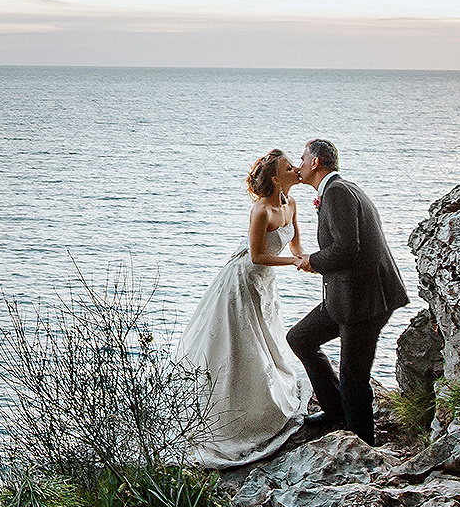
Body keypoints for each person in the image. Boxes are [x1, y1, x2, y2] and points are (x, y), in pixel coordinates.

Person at [172, 149, 311, 468]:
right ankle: (234, 410)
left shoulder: (291, 204)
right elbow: (257, 256)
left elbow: (295, 245)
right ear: (276, 178)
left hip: (265, 283)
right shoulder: (261, 210)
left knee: (266, 335)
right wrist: (293, 262)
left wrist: (308, 260)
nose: (294, 168)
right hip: (244, 281)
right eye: (288, 167)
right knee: (241, 342)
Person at [286, 138, 408, 446]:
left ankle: (362, 443)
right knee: (300, 338)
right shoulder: (339, 190)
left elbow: (346, 250)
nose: (298, 165)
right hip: (345, 297)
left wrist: (311, 261)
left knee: (353, 377)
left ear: (315, 163)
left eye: (302, 159)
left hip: (364, 301)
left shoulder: (338, 192)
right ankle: (336, 410)